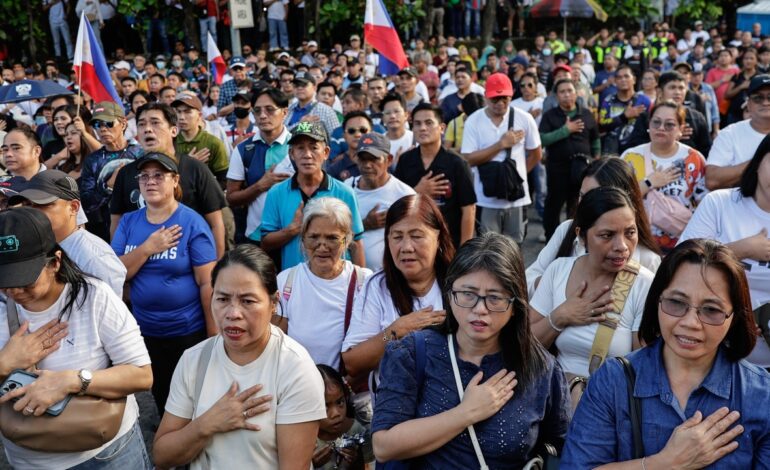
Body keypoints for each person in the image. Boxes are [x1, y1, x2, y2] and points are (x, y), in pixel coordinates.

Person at [561, 239, 770, 468]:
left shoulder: (762, 396)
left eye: (711, 310)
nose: (690, 322)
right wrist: (665, 463)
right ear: (656, 301)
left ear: (735, 317)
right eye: (676, 303)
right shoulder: (611, 382)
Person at [372, 232, 570, 467]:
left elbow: (560, 445)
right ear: (450, 294)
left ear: (515, 305)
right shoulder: (412, 353)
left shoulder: (540, 367)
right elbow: (383, 446)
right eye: (468, 294)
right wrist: (466, 413)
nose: (480, 309)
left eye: (494, 298)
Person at [0, 207, 153, 469]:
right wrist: (4, 363)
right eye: (4, 279)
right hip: (30, 461)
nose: (14, 290)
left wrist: (73, 380)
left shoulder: (94, 298)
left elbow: (142, 375)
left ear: (55, 262)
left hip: (107, 455)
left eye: (26, 281)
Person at [152, 244, 326, 469]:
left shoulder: (294, 368)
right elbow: (162, 456)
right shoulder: (194, 360)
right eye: (223, 299)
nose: (233, 313)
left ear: (273, 303)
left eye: (248, 301)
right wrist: (206, 424)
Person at [111, 152, 217, 413]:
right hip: (145, 329)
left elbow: (208, 284)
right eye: (144, 176)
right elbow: (114, 273)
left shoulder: (192, 222)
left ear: (175, 181)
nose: (151, 181)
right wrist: (148, 248)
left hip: (187, 330)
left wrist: (214, 336)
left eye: (159, 175)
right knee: (160, 391)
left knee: (193, 394)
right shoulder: (129, 221)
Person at [529, 187, 654, 385]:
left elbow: (645, 370)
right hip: (553, 397)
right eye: (607, 235)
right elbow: (524, 345)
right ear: (581, 236)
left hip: (610, 405)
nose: (622, 246)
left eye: (630, 232)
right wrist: (560, 317)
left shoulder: (644, 285)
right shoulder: (558, 270)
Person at [341, 195, 454, 391]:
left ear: (439, 238)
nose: (406, 247)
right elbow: (352, 362)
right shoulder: (377, 286)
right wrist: (393, 332)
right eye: (397, 236)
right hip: (394, 412)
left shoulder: (460, 284)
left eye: (417, 236)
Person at [680, 133, 770, 367]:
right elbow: (679, 263)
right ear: (758, 162)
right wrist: (741, 249)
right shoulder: (720, 204)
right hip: (716, 353)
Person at [525, 158, 661, 298]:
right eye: (582, 196)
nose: (583, 205)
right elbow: (526, 281)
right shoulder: (566, 231)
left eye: (594, 198)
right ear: (581, 236)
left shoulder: (647, 261)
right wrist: (557, 283)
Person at [109, 103, 227, 258]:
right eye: (141, 124)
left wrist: (214, 273)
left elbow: (216, 224)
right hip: (136, 267)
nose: (148, 129)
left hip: (189, 265)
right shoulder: (125, 173)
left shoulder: (195, 169)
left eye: (155, 122)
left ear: (174, 130)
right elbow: (116, 224)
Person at [273, 197, 373, 370]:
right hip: (300, 388)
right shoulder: (287, 282)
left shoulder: (365, 282)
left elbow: (373, 346)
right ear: (303, 239)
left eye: (332, 238)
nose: (322, 246)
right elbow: (276, 345)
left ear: (346, 240)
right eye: (313, 237)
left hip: (352, 391)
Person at [260, 121, 365, 270]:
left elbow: (356, 242)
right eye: (300, 148)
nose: (307, 155)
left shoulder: (344, 192)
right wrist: (292, 230)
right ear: (291, 154)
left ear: (326, 153)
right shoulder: (276, 193)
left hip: (337, 280)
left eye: (314, 147)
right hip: (295, 282)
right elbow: (265, 242)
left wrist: (360, 286)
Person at [12, 169, 126, 297]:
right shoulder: (32, 245)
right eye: (28, 204)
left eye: (44, 203)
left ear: (73, 207)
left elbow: (106, 312)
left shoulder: (95, 257)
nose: (34, 211)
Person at [461, 72, 542, 244]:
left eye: (504, 98)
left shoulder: (524, 118)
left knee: (515, 248)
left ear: (511, 95)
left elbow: (536, 154)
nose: (500, 103)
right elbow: (468, 159)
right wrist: (501, 144)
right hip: (485, 198)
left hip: (517, 199)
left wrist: (517, 175)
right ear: (485, 97)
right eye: (495, 99)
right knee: (488, 250)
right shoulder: (474, 121)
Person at [622, 101, 708, 251]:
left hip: (681, 245)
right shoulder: (630, 156)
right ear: (649, 124)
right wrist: (648, 183)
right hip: (637, 244)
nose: (661, 128)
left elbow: (705, 205)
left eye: (669, 124)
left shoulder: (694, 159)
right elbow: (617, 199)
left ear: (681, 129)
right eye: (656, 122)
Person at [395, 103, 477, 248]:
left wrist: (465, 249)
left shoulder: (457, 163)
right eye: (417, 124)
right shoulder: (405, 160)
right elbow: (395, 202)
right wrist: (417, 192)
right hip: (414, 241)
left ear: (442, 128)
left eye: (429, 123)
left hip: (449, 241)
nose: (423, 128)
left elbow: (469, 209)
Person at [226, 88, 294, 243]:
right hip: (256, 237)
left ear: (284, 112)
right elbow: (231, 198)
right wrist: (260, 186)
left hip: (293, 236)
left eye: (270, 110)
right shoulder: (243, 150)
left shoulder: (298, 147)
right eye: (257, 111)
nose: (263, 115)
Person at [539, 78, 600, 241]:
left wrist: (596, 157)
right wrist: (566, 130)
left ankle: (574, 240)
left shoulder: (586, 113)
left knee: (577, 206)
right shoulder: (550, 116)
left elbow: (595, 138)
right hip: (557, 169)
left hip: (582, 169)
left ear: (576, 93)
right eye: (562, 92)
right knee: (553, 206)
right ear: (556, 95)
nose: (567, 95)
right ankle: (552, 240)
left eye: (570, 91)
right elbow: (542, 139)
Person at [345, 133, 415, 271]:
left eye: (374, 159)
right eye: (362, 159)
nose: (367, 165)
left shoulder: (404, 194)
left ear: (389, 160)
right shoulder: (347, 189)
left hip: (390, 278)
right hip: (350, 276)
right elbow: (334, 234)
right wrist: (365, 224)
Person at [80, 101, 144, 242]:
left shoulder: (141, 153)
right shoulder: (93, 160)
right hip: (106, 232)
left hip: (142, 224)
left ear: (123, 124)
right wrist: (108, 185)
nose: (102, 129)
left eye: (108, 123)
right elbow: (87, 204)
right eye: (97, 125)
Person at [706, 74, 770, 190]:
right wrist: (758, 161)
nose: (765, 102)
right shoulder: (730, 134)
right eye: (758, 98)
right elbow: (712, 180)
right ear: (748, 104)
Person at [313, 364, 374, 469]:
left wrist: (356, 459)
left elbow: (367, 466)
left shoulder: (356, 430)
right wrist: (311, 464)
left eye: (340, 402)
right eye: (325, 406)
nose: (336, 413)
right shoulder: (306, 438)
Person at [172, 94, 230, 186]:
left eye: (187, 112)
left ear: (199, 115)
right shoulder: (170, 142)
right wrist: (187, 163)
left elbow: (223, 180)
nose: (181, 117)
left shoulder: (213, 143)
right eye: (178, 112)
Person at [655, 71, 712, 157]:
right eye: (672, 87)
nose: (677, 92)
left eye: (681, 88)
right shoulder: (648, 117)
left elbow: (707, 150)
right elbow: (635, 146)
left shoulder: (697, 118)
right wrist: (668, 138)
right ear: (660, 91)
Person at [598, 64, 652, 155]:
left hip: (637, 148)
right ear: (615, 81)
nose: (623, 80)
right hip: (612, 149)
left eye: (626, 76)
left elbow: (651, 126)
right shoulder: (608, 100)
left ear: (634, 80)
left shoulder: (644, 101)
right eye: (619, 77)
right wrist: (624, 116)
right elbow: (602, 124)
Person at [284, 72, 340, 138]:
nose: (299, 88)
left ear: (314, 87)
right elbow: (279, 134)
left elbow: (337, 138)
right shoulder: (288, 109)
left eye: (304, 85)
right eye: (296, 85)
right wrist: (300, 125)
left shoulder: (326, 111)